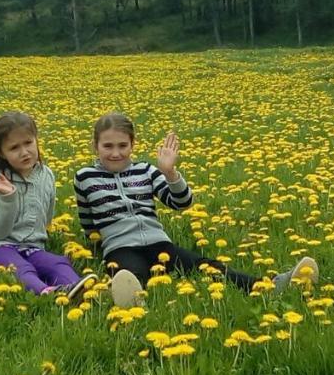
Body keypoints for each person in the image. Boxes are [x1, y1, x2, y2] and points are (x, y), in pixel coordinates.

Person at [73, 112, 318, 307]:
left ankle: (272, 285)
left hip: (159, 243)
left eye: (122, 145)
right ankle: (131, 301)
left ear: (132, 145)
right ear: (95, 146)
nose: (115, 153)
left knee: (205, 266)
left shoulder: (146, 171)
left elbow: (182, 203)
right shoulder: (85, 177)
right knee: (130, 273)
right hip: (119, 246)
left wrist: (170, 173)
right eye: (108, 146)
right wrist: (96, 247)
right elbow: (88, 220)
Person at [0, 111, 96, 299]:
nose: (24, 152)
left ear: (36, 139)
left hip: (31, 247)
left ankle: (80, 290)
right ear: (1, 153)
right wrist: (8, 198)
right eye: (14, 148)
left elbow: (45, 218)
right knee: (20, 267)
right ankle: (46, 293)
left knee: (57, 263)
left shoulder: (46, 175)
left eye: (28, 143)